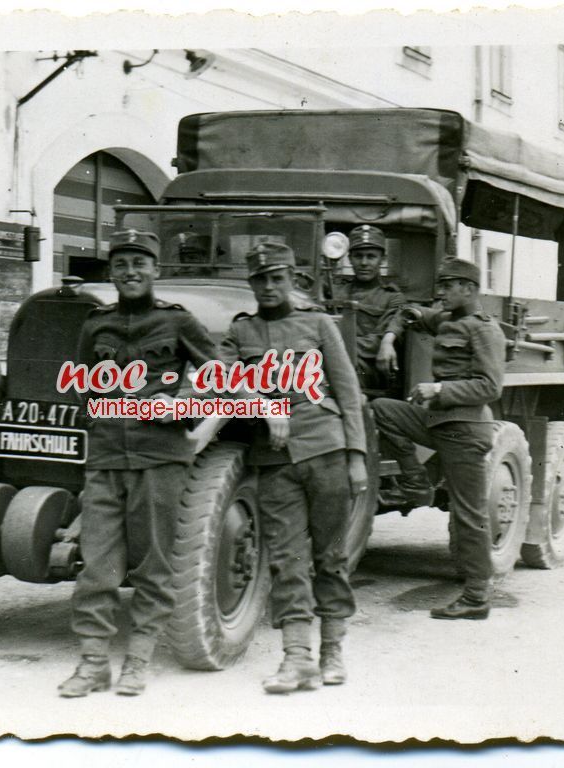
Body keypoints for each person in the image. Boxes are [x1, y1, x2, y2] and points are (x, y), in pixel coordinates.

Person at [58, 228, 217, 698]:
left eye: (140, 263)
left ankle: (138, 659)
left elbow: (217, 374)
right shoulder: (95, 324)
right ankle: (92, 662)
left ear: (155, 270)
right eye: (122, 265)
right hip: (107, 458)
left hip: (159, 457)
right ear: (112, 272)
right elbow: (85, 385)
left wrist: (182, 403)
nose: (131, 272)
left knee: (153, 562)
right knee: (98, 564)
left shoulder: (178, 322)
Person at [219, 241, 368, 694]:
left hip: (326, 451)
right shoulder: (240, 332)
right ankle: (297, 658)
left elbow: (347, 393)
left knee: (331, 555)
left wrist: (357, 458)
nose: (268, 286)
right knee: (286, 561)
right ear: (251, 284)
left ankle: (333, 651)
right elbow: (220, 378)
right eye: (260, 279)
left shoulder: (318, 323)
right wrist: (262, 405)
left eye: (277, 278)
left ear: (292, 278)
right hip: (274, 460)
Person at [372, 258, 506, 620]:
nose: (441, 292)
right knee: (382, 409)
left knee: (469, 513)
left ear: (469, 288)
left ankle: (477, 596)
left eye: (448, 285)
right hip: (439, 423)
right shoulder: (448, 319)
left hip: (465, 430)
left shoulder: (484, 330)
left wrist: (439, 388)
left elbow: (490, 387)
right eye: (441, 285)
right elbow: (410, 313)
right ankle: (415, 480)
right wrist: (388, 338)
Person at [332, 225, 407, 379]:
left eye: (371, 256)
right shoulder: (335, 292)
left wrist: (332, 347)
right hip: (331, 359)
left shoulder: (392, 297)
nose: (364, 262)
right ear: (349, 258)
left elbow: (378, 341)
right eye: (358, 256)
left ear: (383, 259)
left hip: (366, 368)